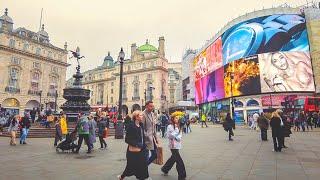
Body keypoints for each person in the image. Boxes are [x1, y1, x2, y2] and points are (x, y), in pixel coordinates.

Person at [118, 110, 149, 180]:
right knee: (130, 166)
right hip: (133, 151)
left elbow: (142, 137)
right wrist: (137, 144)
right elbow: (127, 139)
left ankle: (141, 178)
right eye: (141, 115)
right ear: (136, 117)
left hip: (142, 149)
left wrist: (144, 145)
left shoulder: (141, 125)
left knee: (143, 166)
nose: (142, 116)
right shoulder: (131, 126)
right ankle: (122, 176)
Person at [161, 115, 187, 180]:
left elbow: (180, 136)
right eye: (176, 118)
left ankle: (165, 169)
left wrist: (177, 136)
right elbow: (169, 136)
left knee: (173, 158)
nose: (177, 119)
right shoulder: (170, 126)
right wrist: (175, 131)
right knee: (179, 161)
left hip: (178, 145)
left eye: (178, 118)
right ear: (172, 119)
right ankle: (182, 176)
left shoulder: (180, 126)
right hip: (172, 146)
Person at [142, 101, 159, 166]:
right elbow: (142, 128)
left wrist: (156, 138)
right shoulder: (143, 114)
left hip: (152, 139)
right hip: (146, 139)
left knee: (155, 155)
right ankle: (143, 170)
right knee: (145, 156)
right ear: (146, 106)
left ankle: (143, 167)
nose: (152, 107)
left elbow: (153, 127)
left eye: (152, 106)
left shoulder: (152, 114)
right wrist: (146, 135)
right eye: (150, 106)